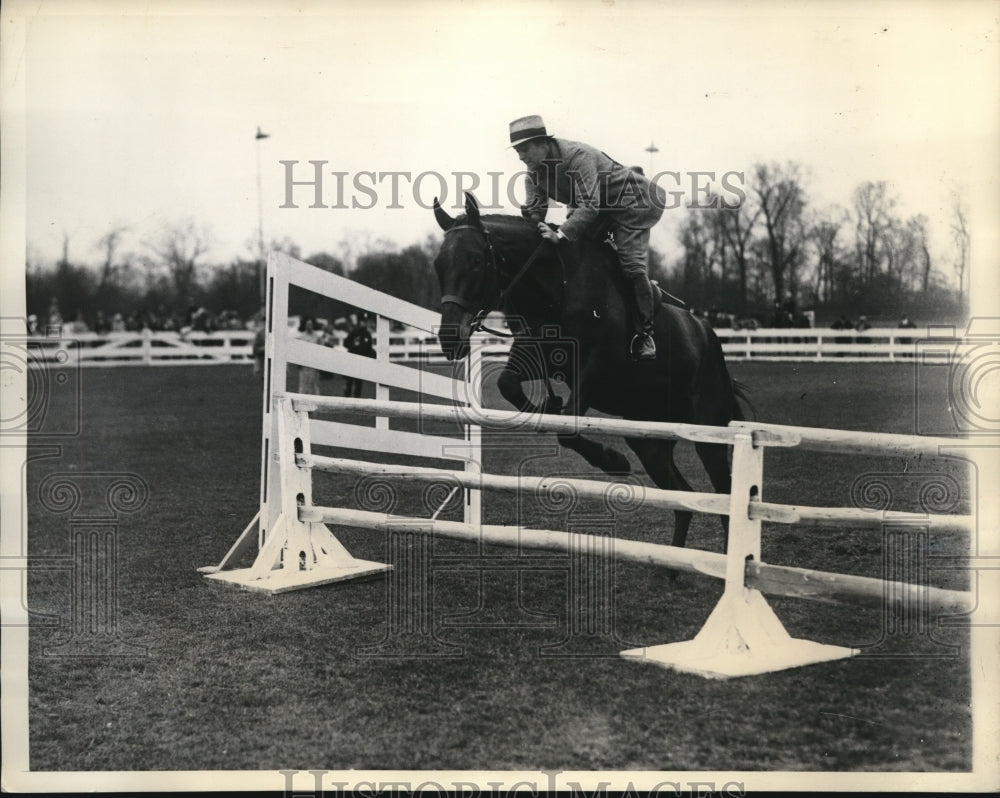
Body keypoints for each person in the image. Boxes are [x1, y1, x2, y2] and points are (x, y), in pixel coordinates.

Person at [509, 115, 667, 360]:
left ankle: (645, 334)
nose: (521, 156)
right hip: (598, 208)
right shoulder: (532, 175)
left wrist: (560, 234)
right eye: (517, 151)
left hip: (633, 204)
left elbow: (589, 207)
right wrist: (528, 216)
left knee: (632, 266)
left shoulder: (578, 157)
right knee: (578, 253)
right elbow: (536, 213)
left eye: (524, 149)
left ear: (542, 142)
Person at [343, 313, 375, 397]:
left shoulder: (367, 334)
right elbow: (345, 343)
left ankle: (357, 401)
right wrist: (353, 345)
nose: (363, 323)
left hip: (360, 362)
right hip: (351, 360)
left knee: (359, 384)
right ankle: (346, 400)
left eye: (365, 322)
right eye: (362, 321)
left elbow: (369, 348)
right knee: (349, 382)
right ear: (359, 322)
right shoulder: (354, 332)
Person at [297, 316, 322, 394]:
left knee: (313, 384)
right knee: (303, 383)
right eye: (307, 324)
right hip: (304, 364)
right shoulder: (301, 336)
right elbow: (298, 350)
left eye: (310, 324)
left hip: (313, 363)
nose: (309, 326)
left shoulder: (317, 337)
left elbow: (321, 350)